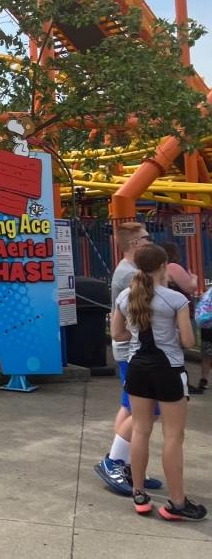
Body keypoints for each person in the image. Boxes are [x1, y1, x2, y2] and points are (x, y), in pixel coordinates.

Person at [112, 243, 206, 521]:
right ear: (164, 266)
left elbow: (117, 335)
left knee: (140, 430)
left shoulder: (125, 296)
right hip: (168, 370)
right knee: (173, 436)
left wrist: (138, 333)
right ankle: (177, 502)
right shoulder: (175, 299)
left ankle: (139, 495)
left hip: (137, 368)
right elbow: (188, 341)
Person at [95, 222, 163, 494]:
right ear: (136, 243)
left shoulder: (128, 272)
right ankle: (115, 461)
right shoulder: (131, 275)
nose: (151, 241)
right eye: (147, 238)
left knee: (131, 408)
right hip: (135, 352)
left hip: (131, 351)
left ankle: (127, 464)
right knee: (146, 411)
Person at [160, 241, 201, 393]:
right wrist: (194, 278)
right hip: (182, 312)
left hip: (169, 311)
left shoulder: (160, 269)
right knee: (183, 345)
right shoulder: (173, 267)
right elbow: (189, 287)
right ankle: (181, 380)